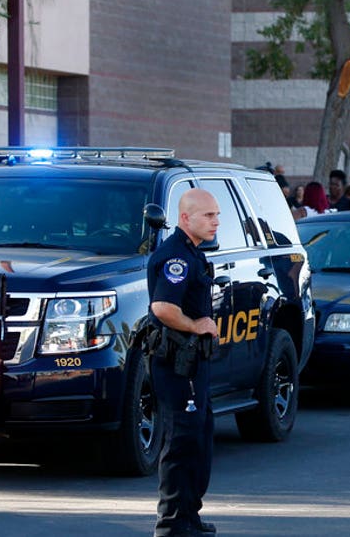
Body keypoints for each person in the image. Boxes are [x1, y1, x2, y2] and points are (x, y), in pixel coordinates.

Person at [145, 188, 220, 537]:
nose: (215, 221)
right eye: (208, 215)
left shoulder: (193, 252)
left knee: (199, 438)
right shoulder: (176, 256)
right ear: (186, 218)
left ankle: (188, 516)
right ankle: (171, 523)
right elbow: (163, 308)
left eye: (217, 215)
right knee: (181, 441)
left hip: (192, 362)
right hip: (177, 361)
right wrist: (196, 325)